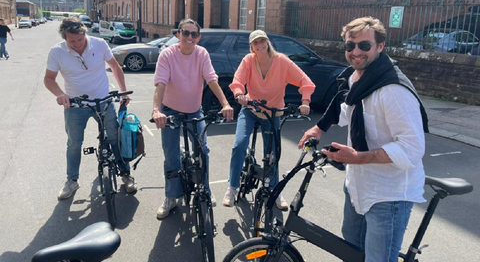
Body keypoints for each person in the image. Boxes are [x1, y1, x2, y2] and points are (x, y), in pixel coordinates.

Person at [298, 16, 429, 262]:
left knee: (377, 258)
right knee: (352, 248)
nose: (356, 52)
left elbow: (412, 148)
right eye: (350, 46)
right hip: (358, 187)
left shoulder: (393, 91)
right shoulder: (358, 78)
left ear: (380, 46)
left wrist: (357, 157)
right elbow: (348, 109)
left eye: (364, 45)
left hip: (388, 195)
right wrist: (319, 127)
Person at [44, 17, 137, 200]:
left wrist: (123, 92)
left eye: (80, 39)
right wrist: (60, 94)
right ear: (65, 38)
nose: (78, 44)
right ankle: (72, 181)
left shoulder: (99, 44)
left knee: (114, 137)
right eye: (72, 41)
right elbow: (49, 79)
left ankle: (125, 175)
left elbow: (115, 67)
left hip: (103, 100)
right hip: (76, 105)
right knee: (74, 144)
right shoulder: (57, 52)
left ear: (85, 34)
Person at [222, 30, 315, 209]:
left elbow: (305, 81)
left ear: (268, 42)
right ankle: (232, 187)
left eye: (262, 41)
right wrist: (239, 93)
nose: (260, 45)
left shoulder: (282, 61)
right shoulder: (248, 61)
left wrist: (305, 101)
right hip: (250, 108)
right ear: (252, 47)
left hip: (273, 112)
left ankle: (275, 191)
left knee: (272, 154)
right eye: (256, 43)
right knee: (239, 144)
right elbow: (238, 80)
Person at [152, 18, 234, 219]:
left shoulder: (201, 53)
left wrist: (225, 104)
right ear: (178, 34)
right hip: (170, 110)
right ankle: (171, 196)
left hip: (194, 110)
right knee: (171, 154)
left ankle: (205, 188)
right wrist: (156, 110)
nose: (189, 37)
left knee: (202, 150)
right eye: (185, 33)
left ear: (198, 37)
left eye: (194, 34)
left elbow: (212, 79)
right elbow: (160, 84)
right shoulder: (167, 55)